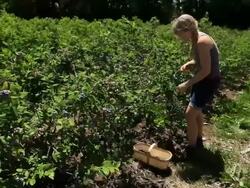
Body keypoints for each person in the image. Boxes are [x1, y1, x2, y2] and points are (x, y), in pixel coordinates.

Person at [171, 14, 221, 156]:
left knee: (190, 114)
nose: (181, 39)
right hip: (204, 79)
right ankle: (198, 141)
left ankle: (191, 150)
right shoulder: (198, 37)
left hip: (208, 81)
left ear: (187, 30)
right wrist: (191, 63)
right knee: (196, 111)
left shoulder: (202, 42)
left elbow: (206, 70)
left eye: (180, 35)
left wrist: (186, 84)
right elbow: (202, 61)